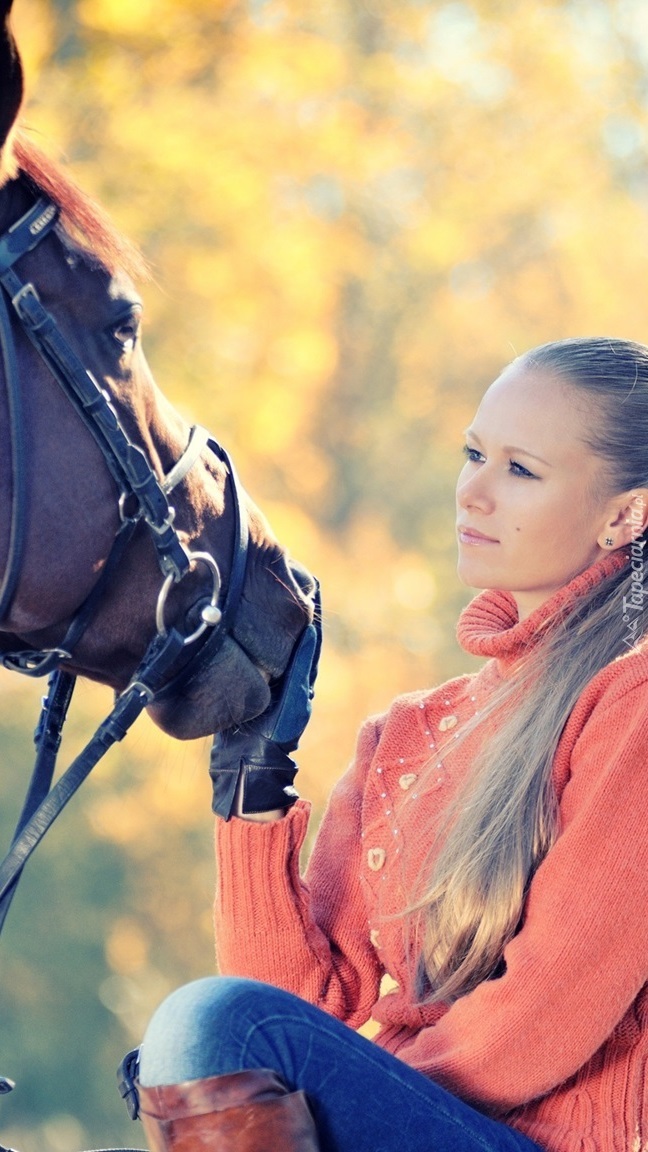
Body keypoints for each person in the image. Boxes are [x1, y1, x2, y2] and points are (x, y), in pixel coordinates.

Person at [127, 337, 648, 1152]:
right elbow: (292, 1005)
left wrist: (334, 1091)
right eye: (474, 454)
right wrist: (248, 779)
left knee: (203, 1026)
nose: (473, 493)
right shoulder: (409, 734)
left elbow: (543, 1020)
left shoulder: (633, 700)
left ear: (625, 513)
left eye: (520, 470)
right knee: (205, 1029)